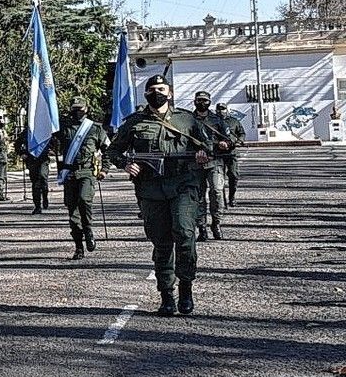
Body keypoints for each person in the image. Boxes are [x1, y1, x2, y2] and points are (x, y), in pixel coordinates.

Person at [107, 75, 211, 316]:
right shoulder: (134, 122)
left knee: (185, 235)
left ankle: (186, 288)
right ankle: (166, 295)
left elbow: (207, 145)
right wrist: (125, 164)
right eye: (152, 90)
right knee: (162, 243)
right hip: (151, 190)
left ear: (170, 93)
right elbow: (114, 150)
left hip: (183, 185)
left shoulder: (186, 120)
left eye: (162, 89)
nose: (157, 93)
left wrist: (202, 154)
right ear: (146, 94)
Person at [52, 97, 109, 259]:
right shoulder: (63, 128)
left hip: (87, 173)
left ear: (86, 109)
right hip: (69, 174)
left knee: (84, 200)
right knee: (72, 212)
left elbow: (108, 150)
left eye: (80, 109)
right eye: (74, 109)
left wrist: (104, 169)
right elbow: (49, 139)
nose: (77, 112)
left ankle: (88, 229)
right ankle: (78, 246)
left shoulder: (95, 129)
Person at [191, 92, 236, 240]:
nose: (202, 103)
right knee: (198, 197)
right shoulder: (188, 120)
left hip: (215, 161)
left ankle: (216, 223)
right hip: (195, 164)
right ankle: (202, 227)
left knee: (217, 191)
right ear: (194, 101)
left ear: (209, 102)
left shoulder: (217, 120)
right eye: (199, 100)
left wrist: (226, 144)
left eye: (205, 100)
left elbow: (230, 140)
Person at [215, 103, 246, 207]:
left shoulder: (234, 121)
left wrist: (239, 141)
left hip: (231, 153)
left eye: (223, 109)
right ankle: (220, 201)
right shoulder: (212, 122)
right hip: (217, 154)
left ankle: (232, 197)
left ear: (226, 110)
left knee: (233, 175)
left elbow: (241, 133)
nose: (220, 111)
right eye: (219, 109)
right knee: (219, 179)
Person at [16, 132, 52, 213]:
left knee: (43, 178)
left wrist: (52, 149)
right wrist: (22, 153)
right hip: (31, 159)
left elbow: (53, 141)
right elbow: (18, 144)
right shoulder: (27, 131)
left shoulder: (44, 128)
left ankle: (45, 196)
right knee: (36, 182)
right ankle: (37, 206)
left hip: (43, 159)